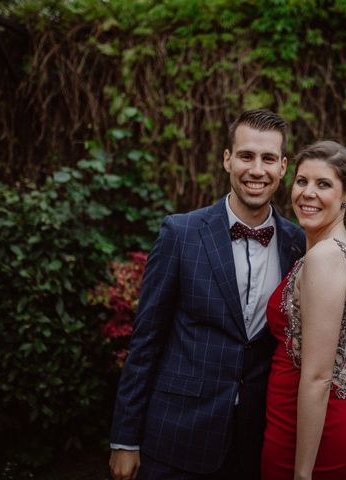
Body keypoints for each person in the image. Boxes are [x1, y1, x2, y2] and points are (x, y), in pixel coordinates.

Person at [109, 109, 306, 480]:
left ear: (283, 167)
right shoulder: (180, 234)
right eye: (246, 156)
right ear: (227, 159)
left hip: (254, 442)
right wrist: (124, 440)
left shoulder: (297, 244)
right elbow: (146, 341)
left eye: (268, 159)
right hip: (176, 438)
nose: (256, 170)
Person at [261, 141, 346, 480]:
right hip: (296, 421)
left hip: (307, 434)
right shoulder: (333, 252)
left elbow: (319, 376)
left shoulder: (325, 257)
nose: (307, 193)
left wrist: (302, 473)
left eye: (323, 184)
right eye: (302, 181)